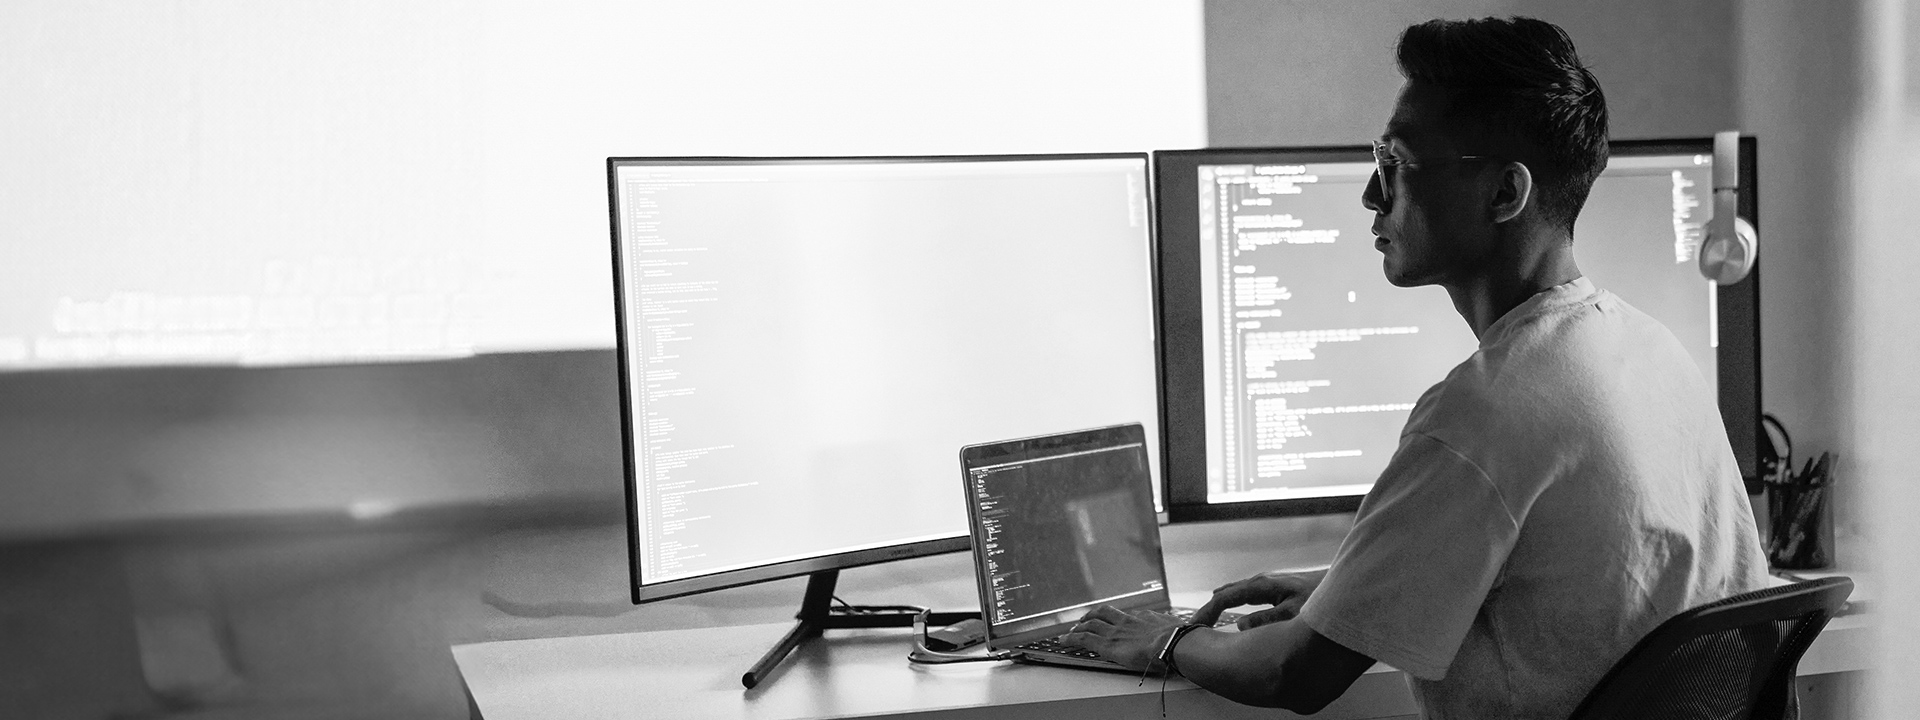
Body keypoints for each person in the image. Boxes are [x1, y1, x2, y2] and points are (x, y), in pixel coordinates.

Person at [1064, 16, 1770, 719]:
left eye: (1398, 164)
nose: (1372, 195)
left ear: (1504, 194)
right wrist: (1353, 590)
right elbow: (1575, 586)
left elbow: (1292, 674)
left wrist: (1166, 639)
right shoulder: (1654, 352)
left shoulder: (1484, 411)